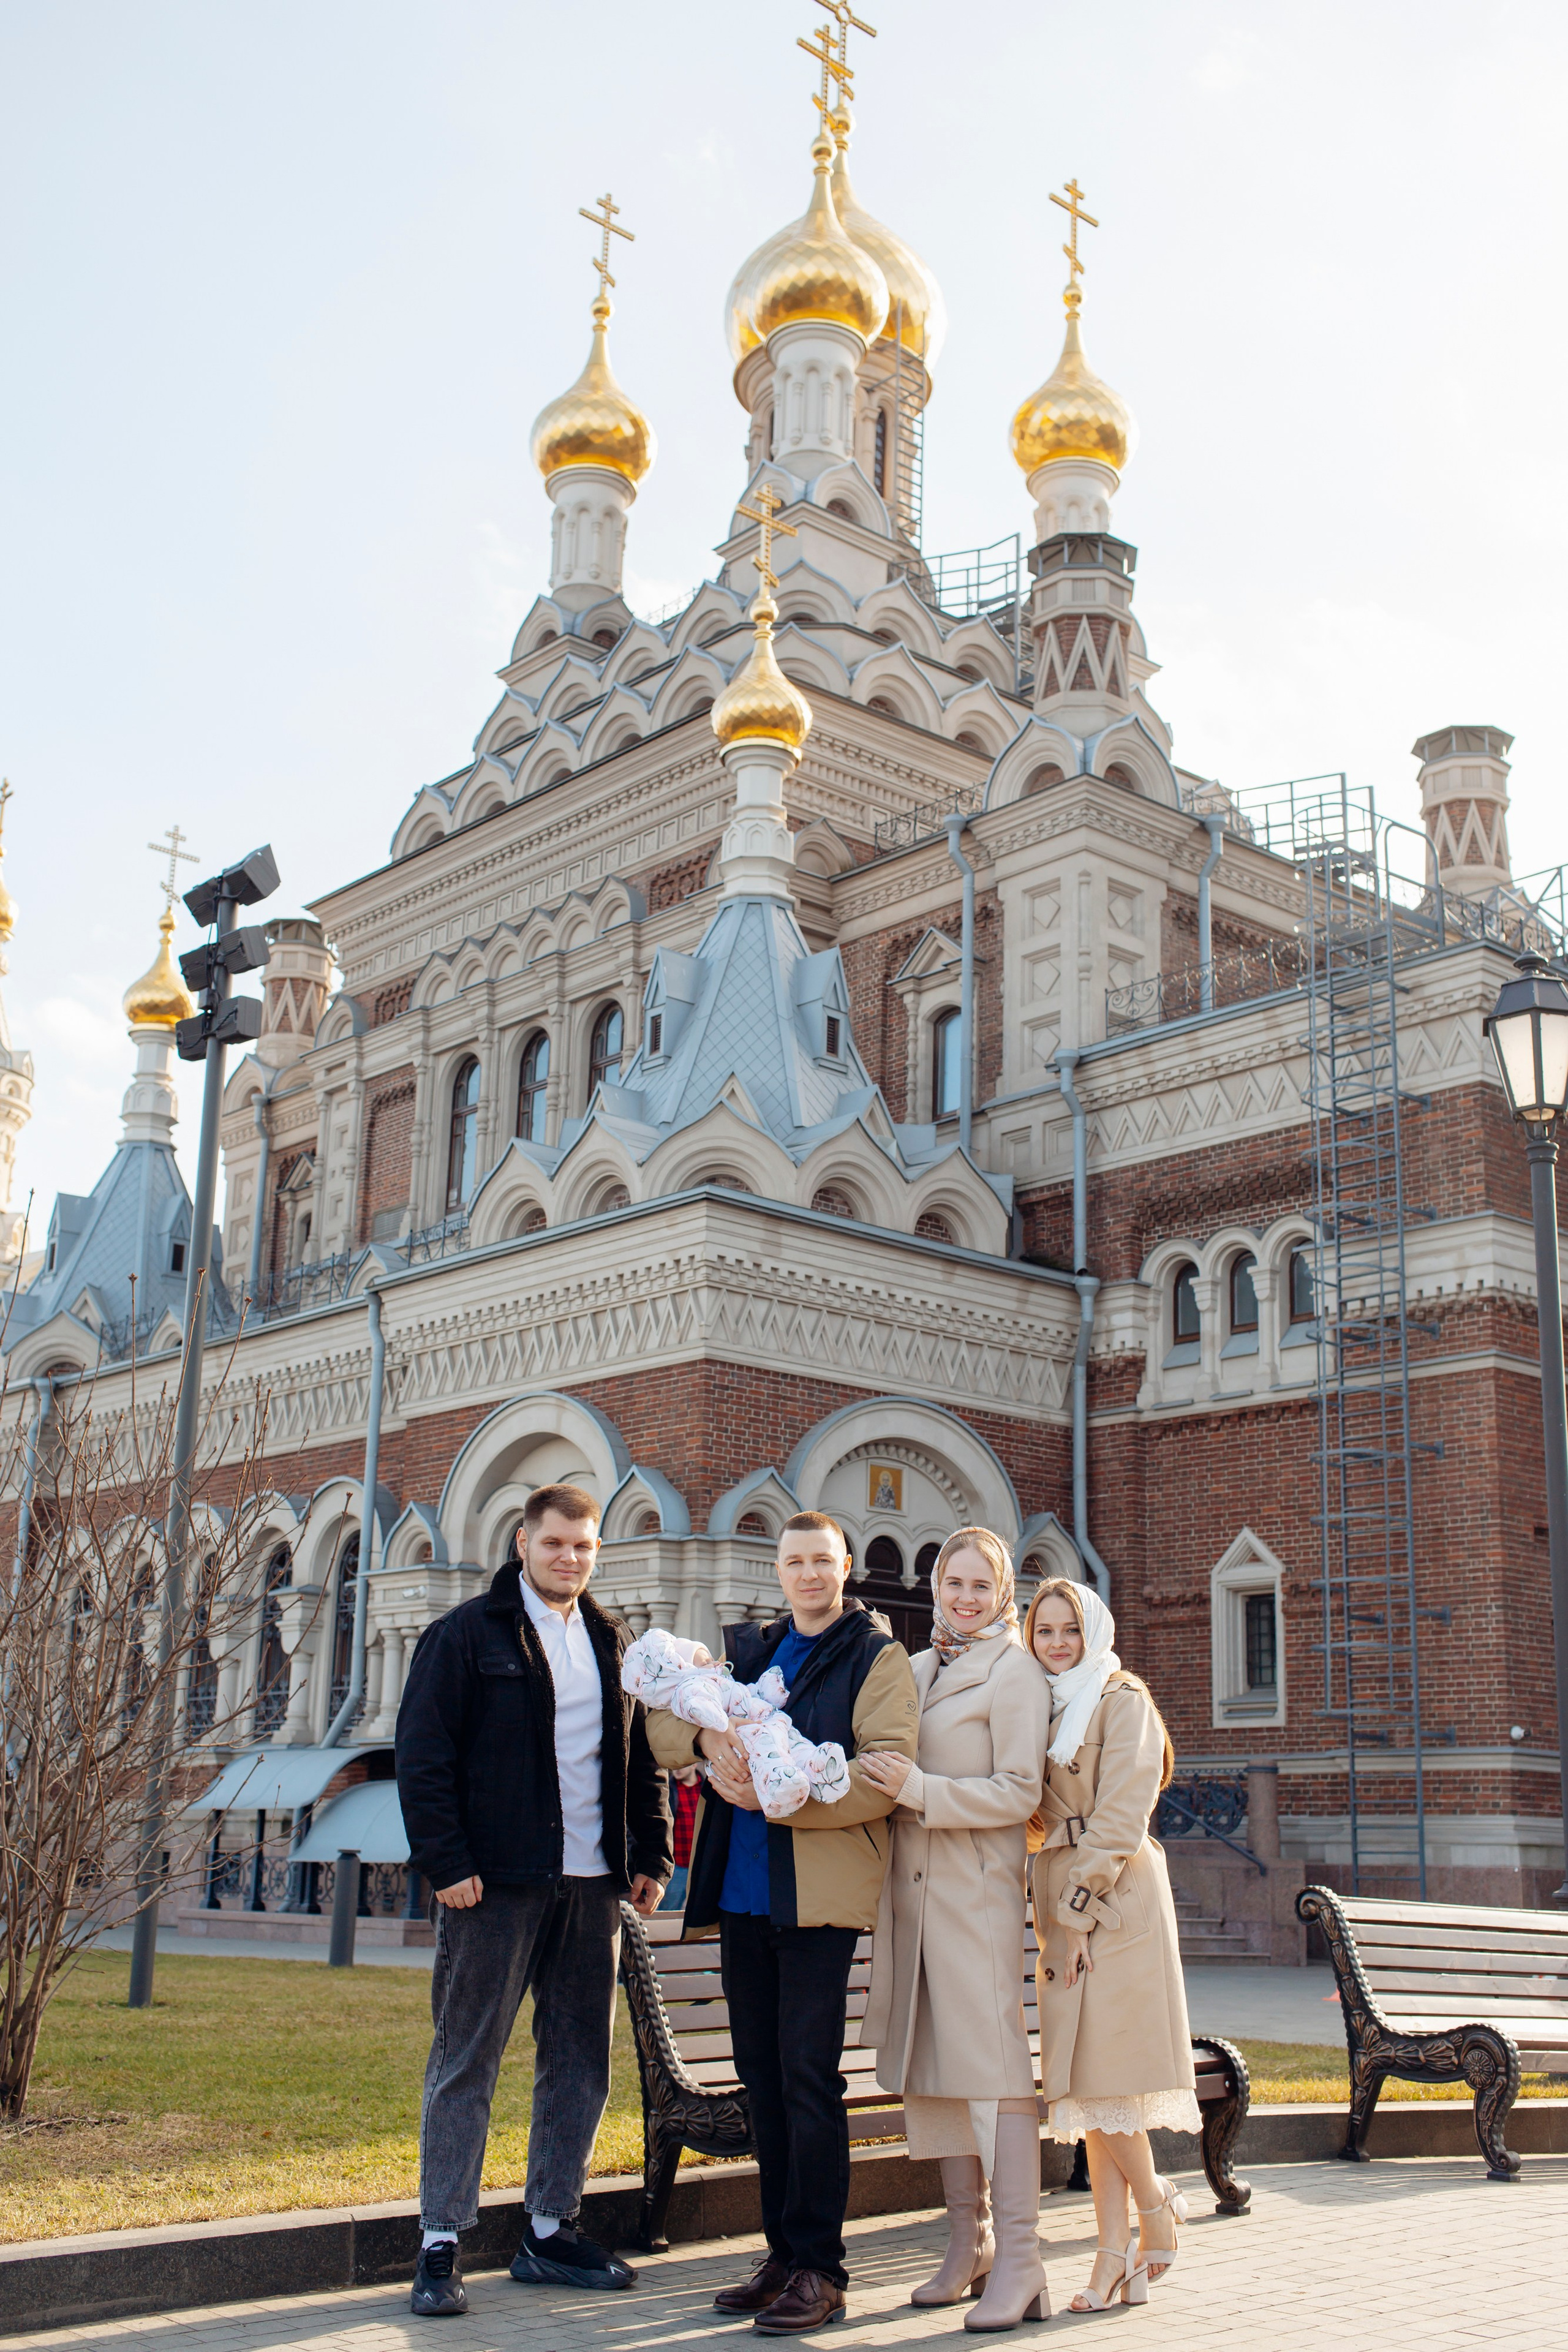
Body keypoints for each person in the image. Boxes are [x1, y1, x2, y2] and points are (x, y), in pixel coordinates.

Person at [395, 1482, 670, 2319]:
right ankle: (440, 2242)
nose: (569, 1558)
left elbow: (641, 1758)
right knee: (467, 2059)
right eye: (555, 1543)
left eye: (583, 1546)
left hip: (593, 1886)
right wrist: (446, 1861)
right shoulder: (465, 1635)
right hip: (494, 1885)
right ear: (523, 1543)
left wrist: (651, 1851)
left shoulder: (611, 1638)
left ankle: (550, 2230)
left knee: (580, 2060)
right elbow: (423, 1755)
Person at [645, 1511, 919, 2335]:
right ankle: (780, 2256)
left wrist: (783, 1794)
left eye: (822, 1561)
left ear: (845, 1567)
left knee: (808, 2078)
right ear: (779, 1570)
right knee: (762, 2079)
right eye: (795, 1562)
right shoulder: (752, 1651)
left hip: (815, 1902)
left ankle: (821, 2269)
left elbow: (887, 1771)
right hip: (741, 1895)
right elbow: (662, 1724)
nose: (809, 1575)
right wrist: (709, 1743)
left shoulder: (874, 1656)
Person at [859, 1527, 1053, 2333]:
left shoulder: (1015, 1671)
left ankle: (1023, 2259)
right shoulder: (916, 1668)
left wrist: (920, 1791)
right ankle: (968, 2242)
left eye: (981, 1585)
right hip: (912, 1896)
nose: (966, 1598)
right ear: (935, 1586)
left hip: (974, 1896)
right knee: (935, 2064)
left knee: (995, 2069)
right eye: (953, 1583)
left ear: (1003, 1593)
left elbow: (1019, 1791)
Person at [1024, 1577, 1197, 2312]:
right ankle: (1113, 2253)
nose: (1057, 1643)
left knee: (1103, 2082)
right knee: (1091, 2087)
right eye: (1044, 1630)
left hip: (1113, 1897)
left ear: (1093, 1632)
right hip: (1063, 1891)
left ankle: (1153, 2211)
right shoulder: (1040, 1704)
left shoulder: (1122, 1698)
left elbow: (1124, 1812)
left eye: (1070, 1629)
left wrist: (1076, 1914)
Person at [666, 1765, 701, 1909]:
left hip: (701, 1865)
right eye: (674, 1765)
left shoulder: (707, 1788)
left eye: (682, 1764)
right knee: (668, 1911)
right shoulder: (668, 1790)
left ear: (694, 1764)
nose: (677, 1769)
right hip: (677, 1865)